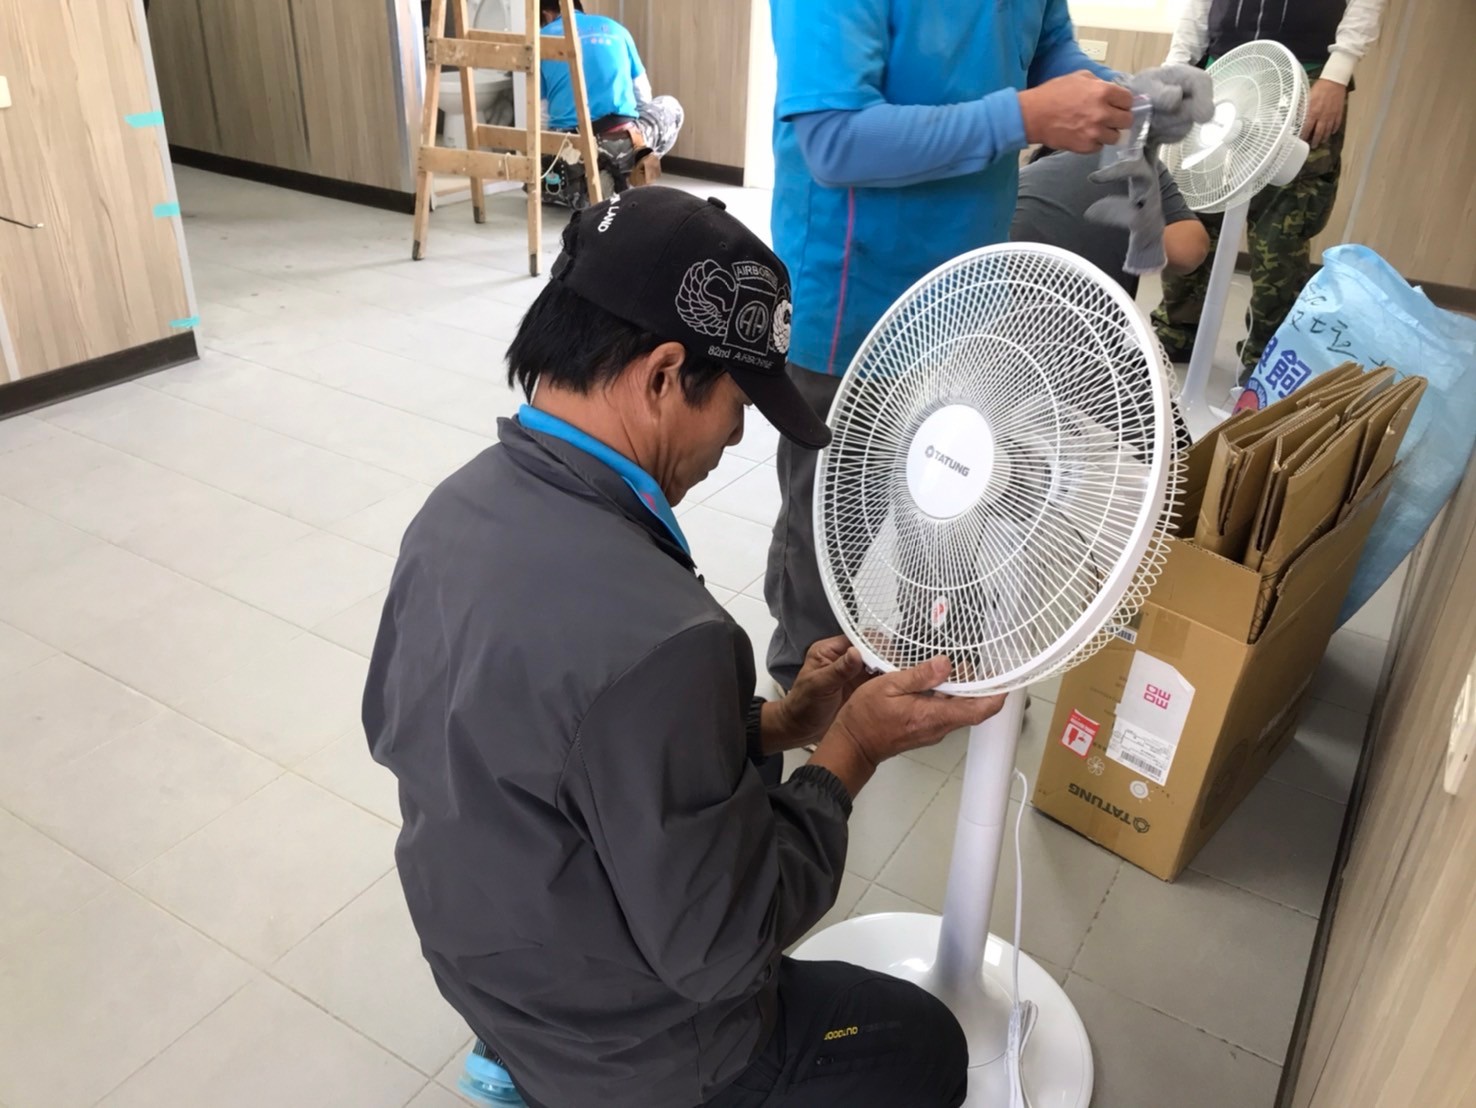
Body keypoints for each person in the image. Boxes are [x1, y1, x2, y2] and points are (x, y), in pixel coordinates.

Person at [365, 187, 1005, 1108]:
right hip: (636, 1052)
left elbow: (546, 742)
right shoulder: (668, 636)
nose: (737, 435)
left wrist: (778, 724)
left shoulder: (449, 512)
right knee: (925, 1044)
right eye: (737, 401)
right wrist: (850, 750)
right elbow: (726, 949)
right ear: (664, 376)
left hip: (493, 977)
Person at [763, 0, 1139, 692]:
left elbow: (1048, 48)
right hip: (854, 294)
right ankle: (809, 684)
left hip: (967, 290)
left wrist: (1116, 97)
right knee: (831, 517)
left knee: (953, 486)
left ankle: (934, 650)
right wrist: (1021, 118)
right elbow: (833, 140)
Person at [1152, 0, 1386, 383]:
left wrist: (1337, 74)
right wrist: (1176, 70)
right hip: (1223, 70)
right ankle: (1176, 332)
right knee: (1191, 208)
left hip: (1306, 78)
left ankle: (1266, 355)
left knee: (1282, 229)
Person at [1011, 146, 1210, 298]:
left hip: (1003, 329)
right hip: (1090, 333)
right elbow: (1187, 252)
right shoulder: (1134, 163)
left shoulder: (1018, 181)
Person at [539, 0, 683, 159]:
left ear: (547, 15)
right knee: (671, 106)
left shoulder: (540, 39)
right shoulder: (617, 29)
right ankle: (637, 166)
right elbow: (643, 97)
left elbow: (542, 115)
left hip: (569, 152)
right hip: (620, 144)